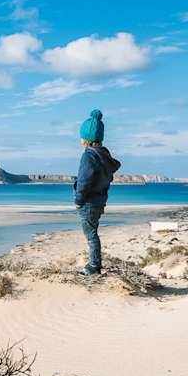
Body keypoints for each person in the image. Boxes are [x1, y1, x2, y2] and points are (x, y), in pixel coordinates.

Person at [73, 109, 121, 275]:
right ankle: (95, 264)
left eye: (81, 136)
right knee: (93, 233)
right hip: (100, 200)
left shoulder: (89, 156)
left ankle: (94, 266)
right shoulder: (104, 156)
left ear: (87, 139)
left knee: (91, 235)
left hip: (89, 202)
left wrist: (79, 199)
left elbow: (84, 180)